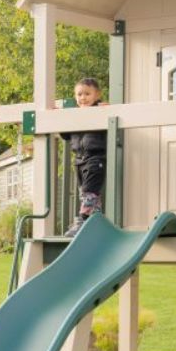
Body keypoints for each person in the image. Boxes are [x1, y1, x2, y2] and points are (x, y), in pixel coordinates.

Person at [61, 77, 107, 237]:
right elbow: (65, 135)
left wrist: (106, 109)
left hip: (96, 158)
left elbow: (111, 116)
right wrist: (57, 116)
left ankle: (81, 221)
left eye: (87, 94)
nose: (83, 98)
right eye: (79, 94)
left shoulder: (100, 110)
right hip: (79, 160)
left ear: (97, 95)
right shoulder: (74, 115)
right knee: (85, 193)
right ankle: (96, 221)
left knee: (89, 192)